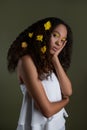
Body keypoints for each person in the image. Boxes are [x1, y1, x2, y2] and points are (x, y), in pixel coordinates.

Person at [7, 17, 73, 130]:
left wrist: (55, 59)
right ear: (45, 33)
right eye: (55, 35)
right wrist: (65, 101)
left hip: (57, 125)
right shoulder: (27, 61)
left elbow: (68, 91)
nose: (58, 43)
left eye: (62, 40)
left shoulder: (48, 61)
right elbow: (47, 110)